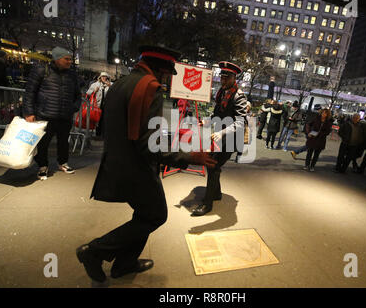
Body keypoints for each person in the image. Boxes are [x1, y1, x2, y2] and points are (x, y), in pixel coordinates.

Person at [76, 45, 217, 283]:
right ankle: (96, 251)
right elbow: (149, 144)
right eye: (164, 73)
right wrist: (188, 157)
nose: (164, 78)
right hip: (137, 168)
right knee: (156, 216)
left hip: (117, 161)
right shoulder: (149, 88)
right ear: (159, 68)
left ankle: (124, 264)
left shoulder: (120, 83)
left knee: (145, 214)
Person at [191, 61, 247, 217]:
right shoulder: (222, 92)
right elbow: (218, 115)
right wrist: (206, 121)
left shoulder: (238, 96)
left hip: (231, 139)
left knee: (213, 165)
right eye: (221, 77)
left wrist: (222, 133)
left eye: (226, 77)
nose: (222, 80)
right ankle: (216, 194)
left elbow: (241, 122)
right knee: (213, 166)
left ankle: (207, 204)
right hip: (221, 138)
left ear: (233, 78)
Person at [23, 47, 81, 180]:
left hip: (65, 116)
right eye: (66, 59)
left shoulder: (72, 75)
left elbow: (78, 95)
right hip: (45, 115)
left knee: (63, 142)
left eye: (70, 59)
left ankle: (63, 163)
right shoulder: (41, 71)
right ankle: (42, 166)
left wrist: (73, 108)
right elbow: (29, 93)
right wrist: (29, 112)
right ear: (57, 59)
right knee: (43, 143)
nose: (69, 62)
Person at [86, 72, 113, 137]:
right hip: (97, 106)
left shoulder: (111, 84)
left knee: (104, 120)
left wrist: (110, 87)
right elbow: (88, 94)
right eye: (102, 76)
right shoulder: (95, 84)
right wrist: (94, 91)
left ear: (107, 78)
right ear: (100, 77)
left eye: (105, 76)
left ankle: (103, 135)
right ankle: (96, 134)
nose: (104, 78)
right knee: (96, 119)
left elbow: (116, 93)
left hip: (106, 106)